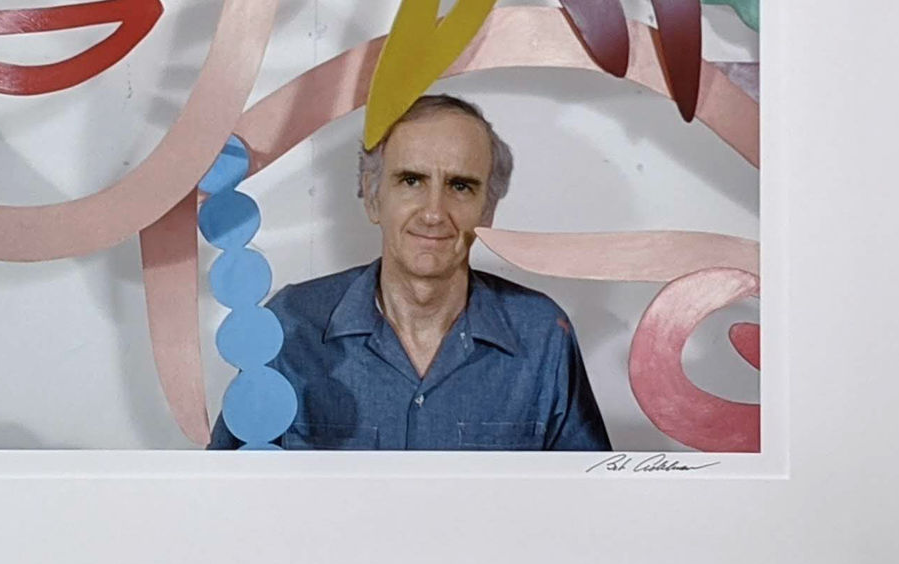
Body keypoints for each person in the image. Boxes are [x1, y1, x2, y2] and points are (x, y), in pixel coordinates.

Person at [210, 93, 611, 450]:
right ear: (371, 195)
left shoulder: (542, 336)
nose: (434, 213)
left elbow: (592, 510)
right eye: (412, 180)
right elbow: (222, 499)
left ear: (487, 209)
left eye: (460, 186)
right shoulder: (289, 325)